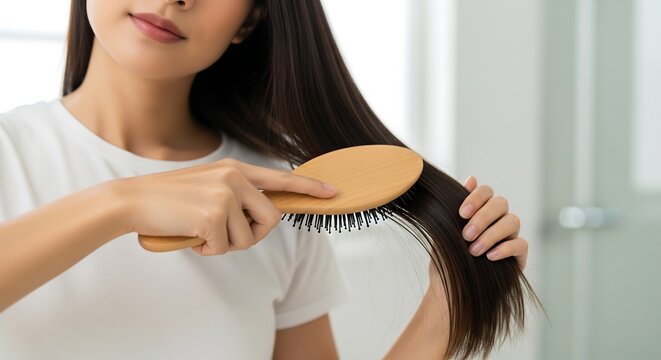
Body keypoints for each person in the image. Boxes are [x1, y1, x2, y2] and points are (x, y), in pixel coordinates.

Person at [0, 0, 529, 358]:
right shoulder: (11, 153)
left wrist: (448, 308)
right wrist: (121, 203)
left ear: (249, 21)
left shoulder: (283, 201)